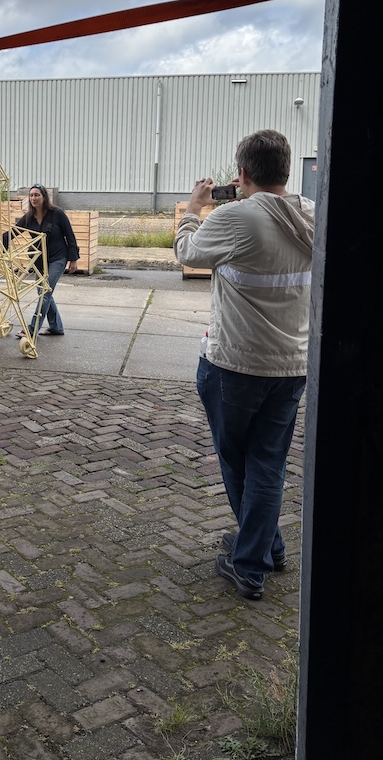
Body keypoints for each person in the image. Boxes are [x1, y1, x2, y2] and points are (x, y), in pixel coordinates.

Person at [173, 130, 314, 600]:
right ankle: (266, 546)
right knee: (268, 464)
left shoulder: (236, 217)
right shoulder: (312, 213)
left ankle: (250, 564)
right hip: (292, 365)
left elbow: (188, 255)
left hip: (235, 364)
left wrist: (193, 210)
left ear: (244, 174)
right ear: (287, 170)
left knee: (236, 460)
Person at [12, 184, 79, 337]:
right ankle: (56, 327)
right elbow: (14, 232)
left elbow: (70, 236)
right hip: (39, 261)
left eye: (37, 195)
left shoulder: (57, 214)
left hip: (57, 258)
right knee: (44, 292)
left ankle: (32, 329)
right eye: (31, 195)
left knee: (45, 293)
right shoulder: (28, 217)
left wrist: (73, 259)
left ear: (44, 197)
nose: (34, 198)